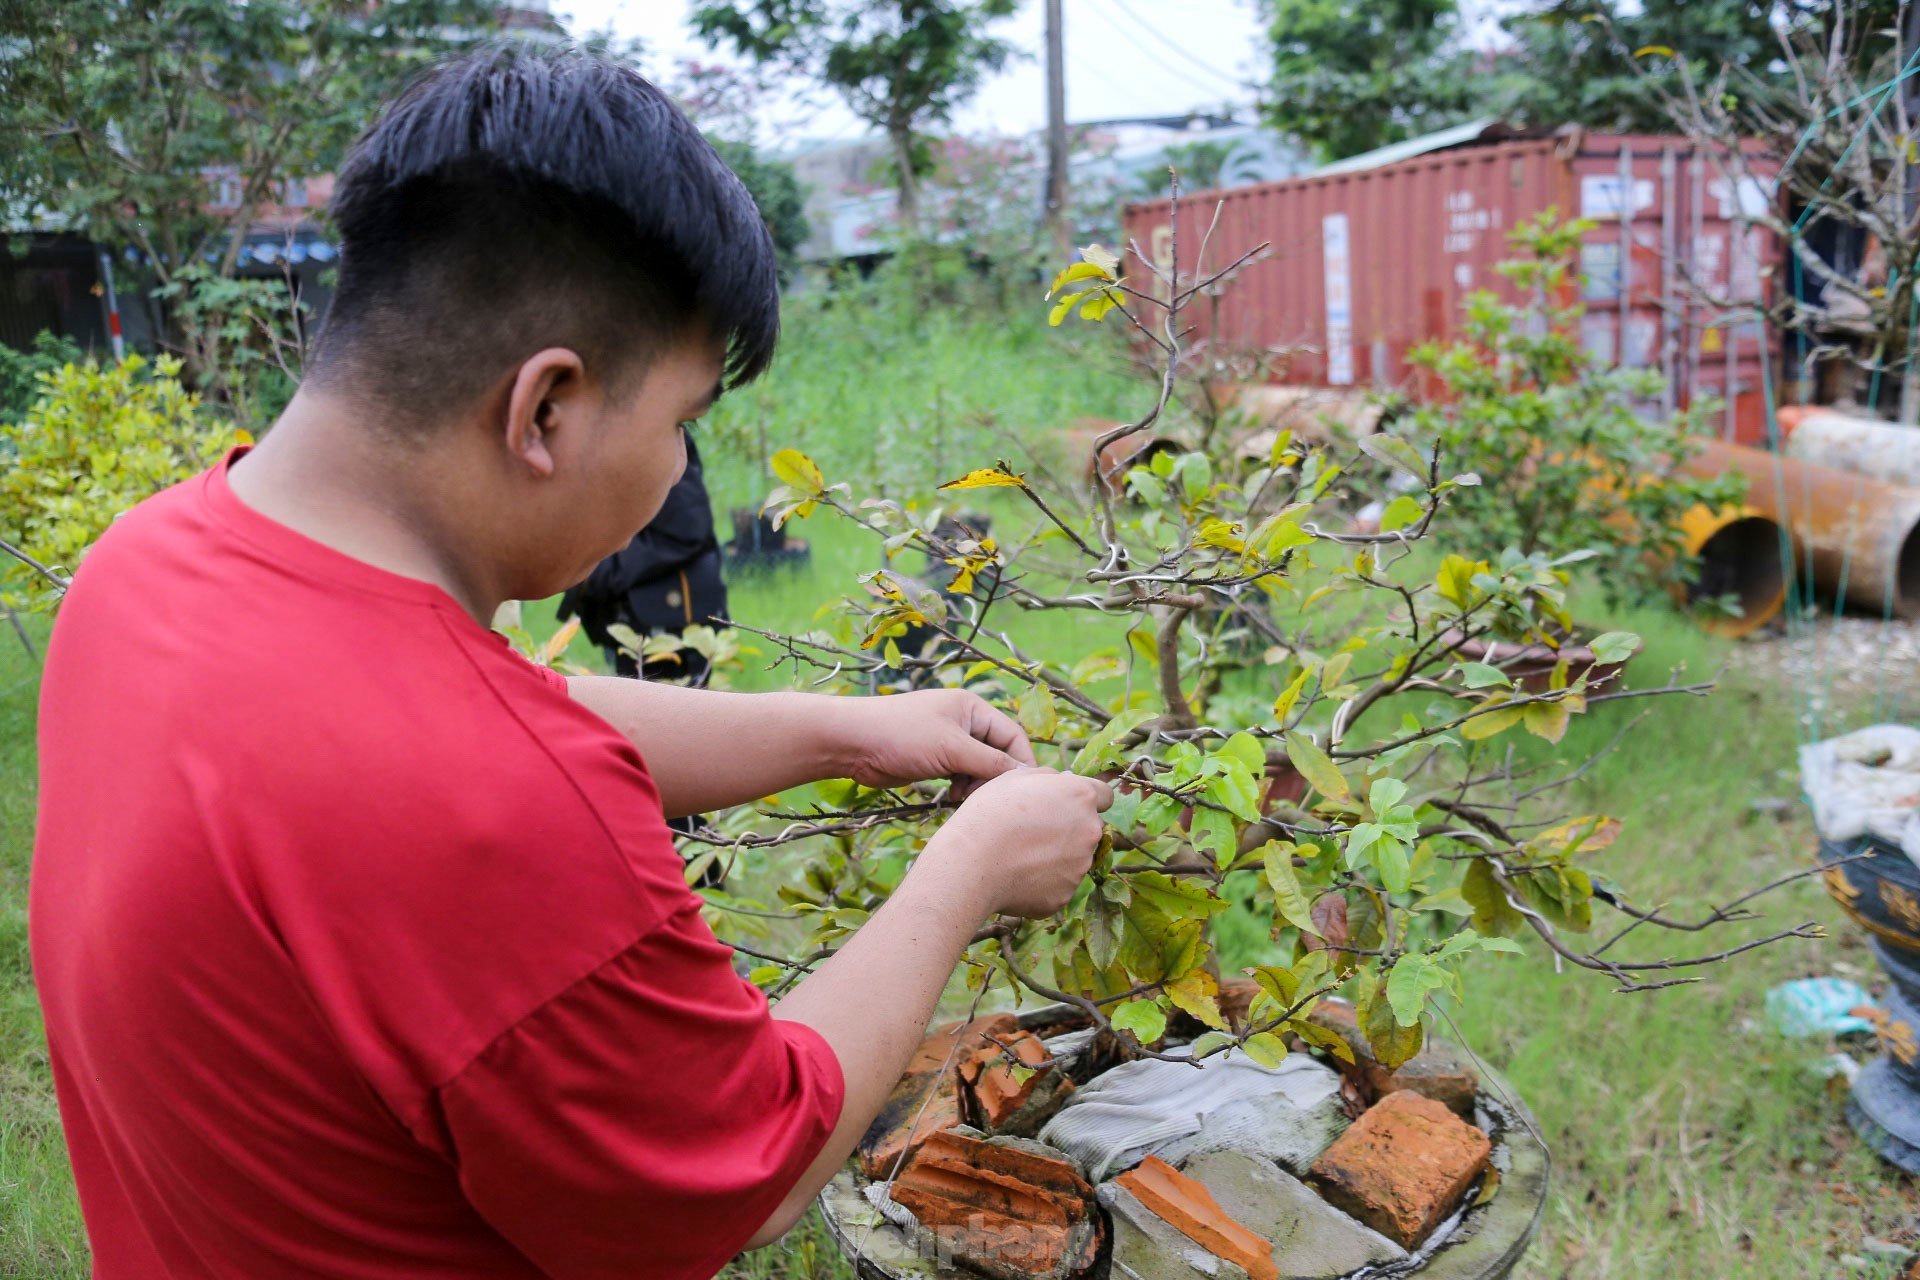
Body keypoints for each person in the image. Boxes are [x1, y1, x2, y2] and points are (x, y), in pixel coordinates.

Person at [29, 46, 1110, 1280]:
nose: (673, 470)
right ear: (547, 408)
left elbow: (488, 712)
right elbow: (752, 1157)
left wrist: (845, 729)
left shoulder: (147, 564)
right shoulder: (493, 812)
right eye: (682, 423)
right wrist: (967, 866)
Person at [559, 429, 728, 682]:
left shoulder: (651, 435)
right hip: (639, 613)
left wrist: (600, 571)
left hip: (668, 621)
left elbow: (687, 529)